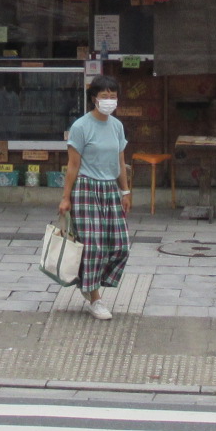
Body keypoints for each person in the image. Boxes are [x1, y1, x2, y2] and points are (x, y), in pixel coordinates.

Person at [59, 74, 130, 320]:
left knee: (121, 245)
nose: (109, 101)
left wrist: (126, 191)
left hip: (110, 188)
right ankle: (94, 297)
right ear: (93, 99)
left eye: (113, 96)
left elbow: (120, 160)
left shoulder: (117, 126)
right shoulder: (81, 126)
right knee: (95, 247)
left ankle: (88, 282)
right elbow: (72, 165)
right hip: (86, 189)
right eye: (104, 96)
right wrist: (66, 198)